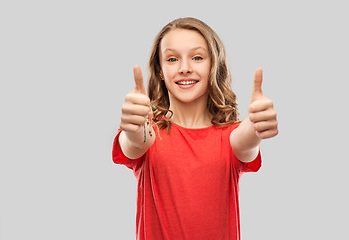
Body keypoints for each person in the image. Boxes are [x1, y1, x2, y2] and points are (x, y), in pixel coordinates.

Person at [112, 17, 278, 240]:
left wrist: (257, 124)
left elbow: (246, 138)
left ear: (212, 66)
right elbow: (136, 140)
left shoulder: (231, 137)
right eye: (172, 59)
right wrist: (134, 128)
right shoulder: (148, 132)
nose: (184, 68)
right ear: (160, 70)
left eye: (197, 57)